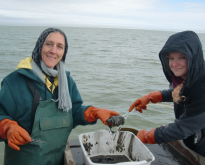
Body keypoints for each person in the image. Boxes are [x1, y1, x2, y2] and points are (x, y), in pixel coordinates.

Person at [0, 28, 121, 165]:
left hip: (58, 160)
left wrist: (94, 112)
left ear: (64, 53)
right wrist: (7, 127)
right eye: (48, 44)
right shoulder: (14, 82)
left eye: (59, 47)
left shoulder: (67, 82)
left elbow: (73, 111)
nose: (53, 51)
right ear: (39, 46)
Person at [129, 31, 205, 164]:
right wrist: (153, 96)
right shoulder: (187, 78)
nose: (174, 64)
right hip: (191, 141)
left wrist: (149, 136)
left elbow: (183, 127)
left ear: (193, 57)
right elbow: (181, 92)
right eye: (171, 58)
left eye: (182, 57)